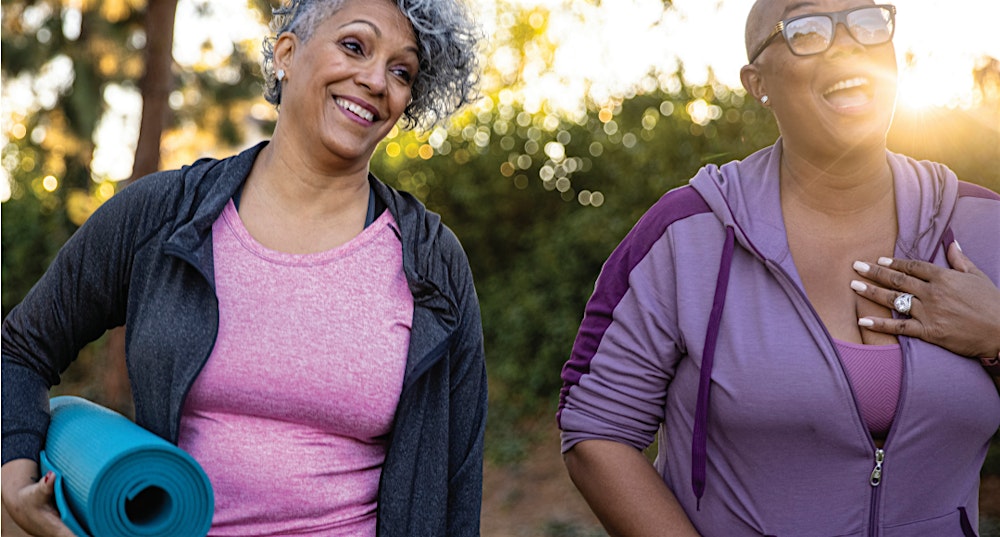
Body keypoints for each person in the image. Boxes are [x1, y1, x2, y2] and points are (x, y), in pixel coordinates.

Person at [1, 0, 486, 535]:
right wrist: (15, 484)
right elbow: (20, 351)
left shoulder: (432, 262)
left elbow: (458, 478)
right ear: (287, 54)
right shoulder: (162, 214)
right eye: (354, 46)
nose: (376, 81)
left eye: (401, 72)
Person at [558, 0, 1000, 535]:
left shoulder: (983, 226)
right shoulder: (686, 235)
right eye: (807, 29)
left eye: (866, 20)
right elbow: (596, 429)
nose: (847, 42)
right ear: (757, 83)